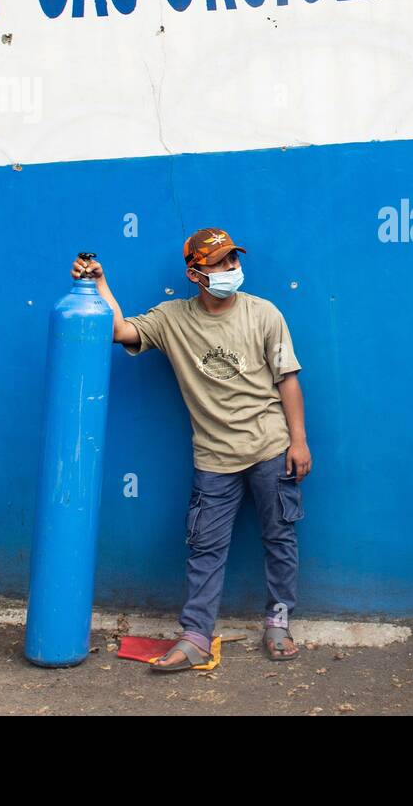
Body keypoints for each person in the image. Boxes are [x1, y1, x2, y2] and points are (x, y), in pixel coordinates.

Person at [70, 228, 312, 669]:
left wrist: (298, 441)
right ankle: (197, 636)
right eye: (220, 263)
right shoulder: (172, 319)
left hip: (270, 448)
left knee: (280, 538)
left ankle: (278, 623)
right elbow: (118, 330)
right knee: (205, 550)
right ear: (195, 273)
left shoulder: (264, 314)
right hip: (214, 459)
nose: (231, 269)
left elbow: (287, 379)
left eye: (233, 261)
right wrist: (98, 283)